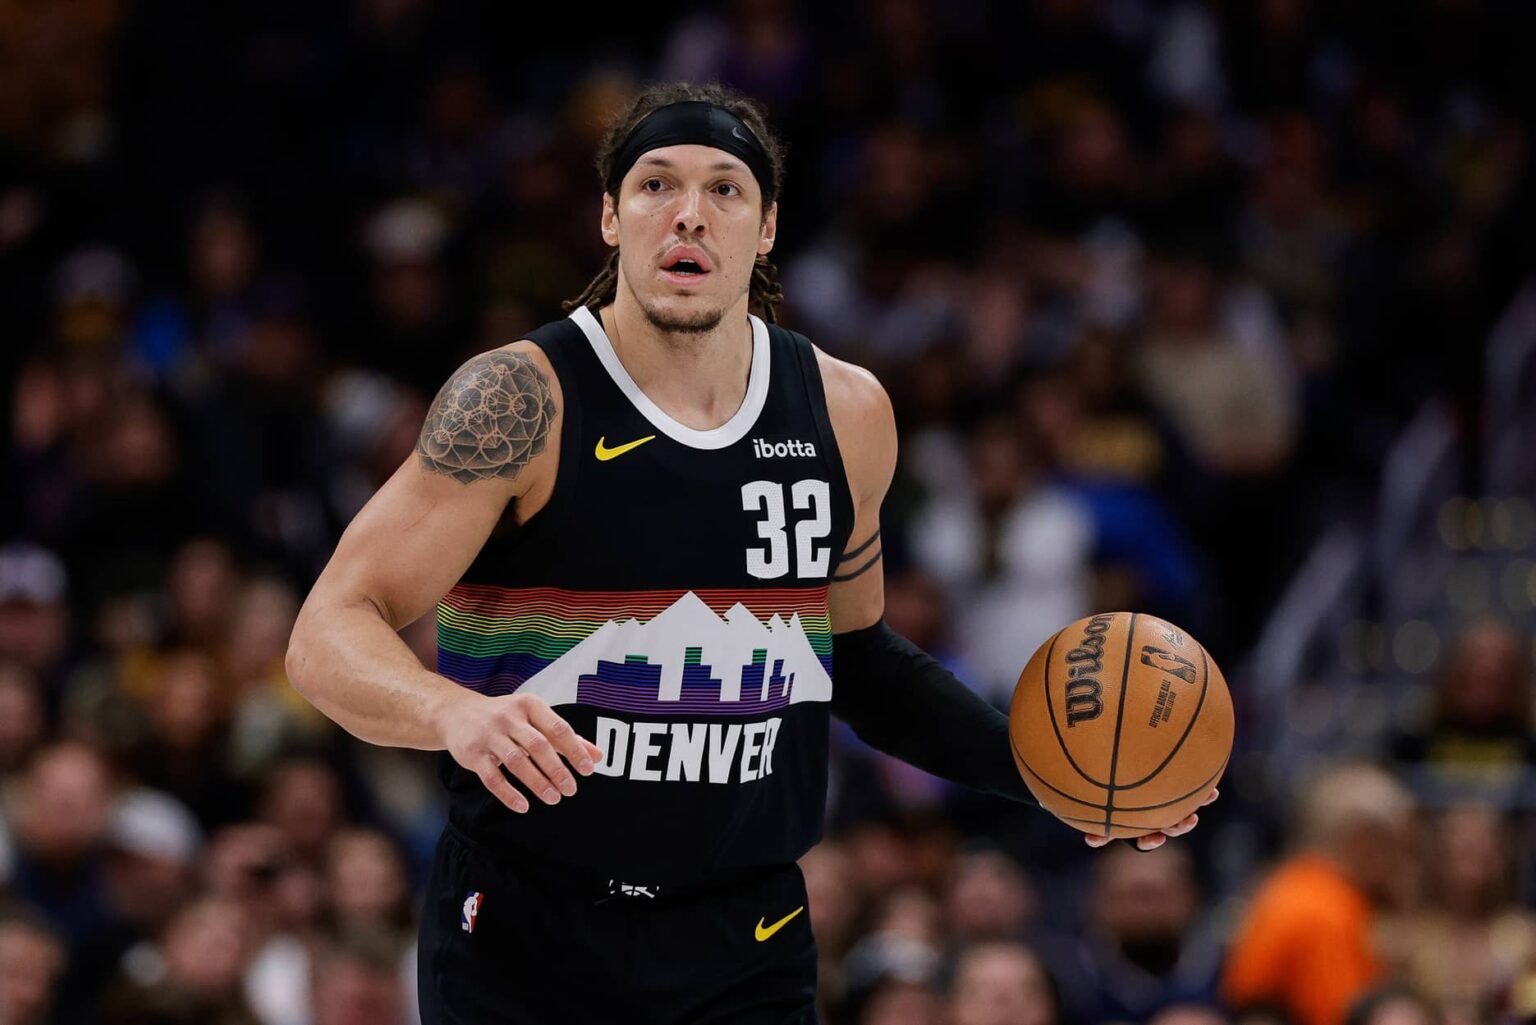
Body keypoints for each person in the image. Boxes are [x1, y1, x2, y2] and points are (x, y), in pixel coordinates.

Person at [285, 81, 1211, 1025]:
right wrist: (450, 713)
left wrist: (1055, 774)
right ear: (610, 218)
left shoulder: (845, 412)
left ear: (766, 229)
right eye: (655, 186)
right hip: (531, 933)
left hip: (747, 937)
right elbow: (326, 631)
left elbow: (857, 660)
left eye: (726, 189)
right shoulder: (522, 399)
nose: (689, 213)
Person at [1224, 763, 1414, 1025]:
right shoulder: (1328, 910)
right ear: (1363, 841)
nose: (1402, 864)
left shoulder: (1289, 884)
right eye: (1398, 846)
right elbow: (1342, 1015)